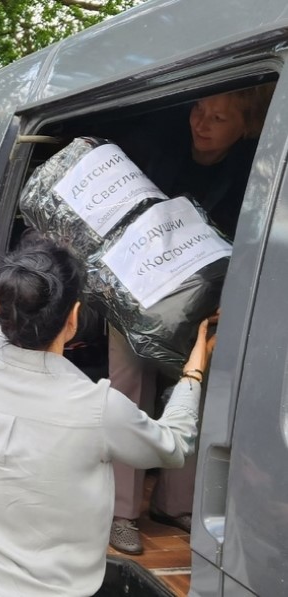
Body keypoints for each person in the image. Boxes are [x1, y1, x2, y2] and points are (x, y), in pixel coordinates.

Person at [0, 234, 215, 597]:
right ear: (75, 318)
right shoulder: (99, 407)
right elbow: (173, 445)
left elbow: (5, 327)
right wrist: (193, 372)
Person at [109, 82, 274, 554]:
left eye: (219, 118)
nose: (201, 122)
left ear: (248, 127)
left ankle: (173, 503)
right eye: (200, 109)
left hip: (204, 300)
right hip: (137, 290)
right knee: (128, 389)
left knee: (196, 388)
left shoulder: (255, 172)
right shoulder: (155, 147)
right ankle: (122, 511)